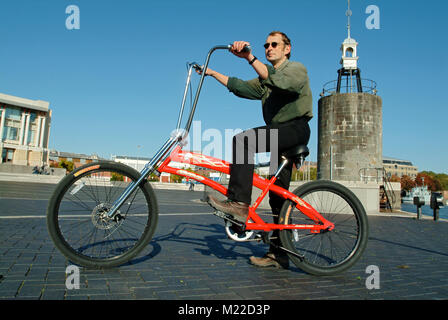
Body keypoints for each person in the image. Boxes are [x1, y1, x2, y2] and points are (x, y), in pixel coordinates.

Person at [202, 31, 313, 269]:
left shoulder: (296, 69)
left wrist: (249, 57)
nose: (269, 48)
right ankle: (278, 254)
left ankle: (239, 202)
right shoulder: (266, 80)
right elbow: (240, 86)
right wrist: (211, 73)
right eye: (266, 45)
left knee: (243, 140)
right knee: (277, 198)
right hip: (278, 137)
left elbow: (281, 82)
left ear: (287, 48)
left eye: (275, 44)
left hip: (294, 130)